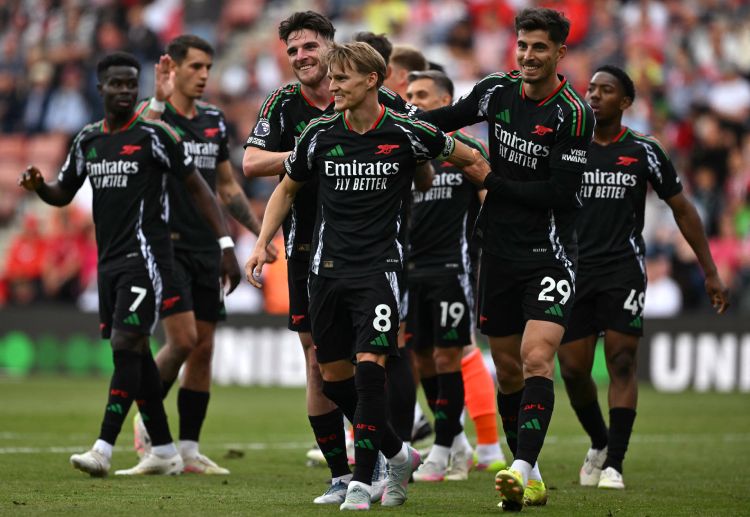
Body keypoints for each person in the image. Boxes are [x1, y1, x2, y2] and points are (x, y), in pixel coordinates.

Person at [245, 41, 490, 511]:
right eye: (332, 77)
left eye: (341, 78)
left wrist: (496, 211)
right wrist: (261, 243)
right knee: (333, 378)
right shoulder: (318, 133)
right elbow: (287, 189)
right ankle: (398, 453)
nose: (332, 86)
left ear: (371, 80)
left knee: (370, 371)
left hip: (380, 270)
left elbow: (473, 160)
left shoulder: (407, 131)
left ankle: (361, 481)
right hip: (325, 271)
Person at [18, 51, 241, 477]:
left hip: (148, 258)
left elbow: (199, 188)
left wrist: (226, 244)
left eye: (130, 84)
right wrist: (40, 187)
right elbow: (64, 191)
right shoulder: (88, 140)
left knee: (125, 343)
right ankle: (165, 449)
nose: (124, 91)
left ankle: (103, 448)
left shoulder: (155, 136)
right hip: (108, 262)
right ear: (100, 88)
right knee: (135, 352)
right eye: (116, 84)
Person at [419, 7, 594, 510]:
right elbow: (445, 119)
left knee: (537, 358)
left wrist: (489, 179)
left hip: (549, 253)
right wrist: (394, 119)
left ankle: (518, 466)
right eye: (522, 45)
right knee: (508, 369)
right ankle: (530, 475)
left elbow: (560, 192)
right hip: (496, 250)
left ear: (560, 52)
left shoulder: (572, 114)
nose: (528, 55)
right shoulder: (496, 90)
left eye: (539, 47)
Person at [242, 11, 418, 504]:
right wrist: (313, 150)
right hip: (308, 251)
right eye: (292, 50)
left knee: (379, 356)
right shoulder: (284, 104)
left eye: (309, 47)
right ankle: (346, 472)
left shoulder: (379, 99)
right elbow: (251, 162)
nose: (301, 57)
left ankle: (379, 460)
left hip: (376, 250)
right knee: (319, 362)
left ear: (331, 46)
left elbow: (423, 140)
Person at [558, 65, 729, 490]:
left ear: (625, 102)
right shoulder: (569, 146)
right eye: (591, 89)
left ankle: (614, 463)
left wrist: (709, 270)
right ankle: (600, 441)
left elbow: (682, 209)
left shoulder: (644, 150)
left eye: (606, 90)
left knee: (621, 361)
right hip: (574, 270)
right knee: (573, 369)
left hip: (623, 270)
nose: (594, 96)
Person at [130, 34, 276, 475]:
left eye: (208, 68)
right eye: (195, 66)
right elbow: (135, 144)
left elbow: (226, 187)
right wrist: (157, 101)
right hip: (165, 245)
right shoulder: (153, 115)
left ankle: (190, 449)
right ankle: (147, 420)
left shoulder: (213, 120)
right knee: (183, 339)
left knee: (204, 348)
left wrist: (260, 234)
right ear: (171, 68)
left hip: (208, 245)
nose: (203, 75)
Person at [404, 69, 506, 482]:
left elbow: (493, 201)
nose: (413, 101)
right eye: (409, 94)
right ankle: (457, 442)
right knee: (421, 359)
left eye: (422, 95)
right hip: (409, 271)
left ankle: (444, 449)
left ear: (446, 101)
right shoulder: (406, 148)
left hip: (451, 270)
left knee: (449, 356)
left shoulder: (466, 149)